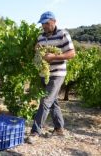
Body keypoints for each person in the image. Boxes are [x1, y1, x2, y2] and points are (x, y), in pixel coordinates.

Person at [27, 11, 75, 144]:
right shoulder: (40, 37)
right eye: (43, 24)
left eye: (47, 23)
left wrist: (54, 57)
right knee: (53, 102)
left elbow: (71, 53)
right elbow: (38, 51)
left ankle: (35, 132)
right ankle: (59, 129)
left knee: (45, 101)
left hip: (57, 74)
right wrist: (37, 50)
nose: (44, 26)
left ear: (54, 21)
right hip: (45, 74)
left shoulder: (63, 34)